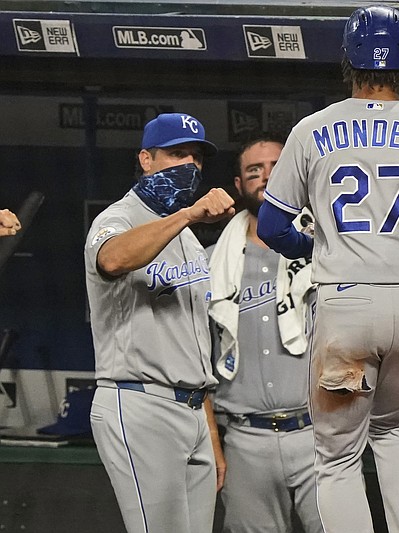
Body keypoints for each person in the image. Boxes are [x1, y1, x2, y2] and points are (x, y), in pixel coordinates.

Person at [256, 5, 399, 532]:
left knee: (337, 457)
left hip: (348, 304)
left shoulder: (313, 130)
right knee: (394, 427)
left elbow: (271, 226)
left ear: (347, 61)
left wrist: (310, 251)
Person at [84, 112, 234, 533]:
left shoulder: (186, 238)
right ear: (146, 159)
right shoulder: (119, 217)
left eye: (197, 157)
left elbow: (192, 345)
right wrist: (187, 216)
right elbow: (112, 258)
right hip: (138, 401)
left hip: (192, 409)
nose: (189, 165)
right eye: (176, 154)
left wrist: (211, 435)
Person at [206, 134, 322, 533]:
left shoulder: (328, 252)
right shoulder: (212, 264)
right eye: (254, 171)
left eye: (275, 167)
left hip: (317, 434)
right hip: (244, 438)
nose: (266, 177)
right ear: (239, 187)